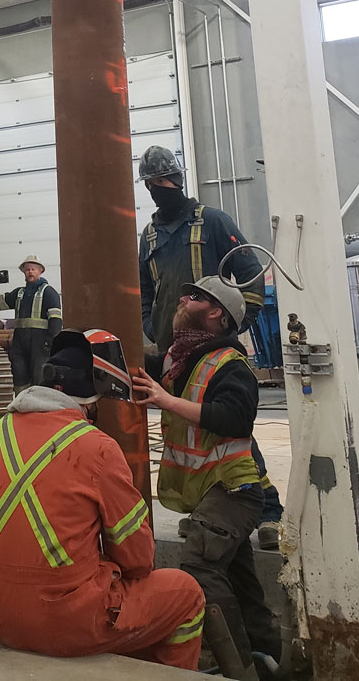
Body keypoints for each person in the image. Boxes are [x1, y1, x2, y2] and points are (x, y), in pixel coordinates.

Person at [0, 330, 206, 667]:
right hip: (66, 621)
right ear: (92, 399)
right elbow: (138, 559)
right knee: (185, 595)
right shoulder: (96, 447)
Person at [133, 276, 282, 678]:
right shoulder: (178, 358)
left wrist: (167, 401)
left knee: (199, 564)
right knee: (237, 574)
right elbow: (137, 365)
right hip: (211, 491)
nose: (183, 298)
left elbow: (236, 418)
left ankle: (239, 669)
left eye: (195, 296)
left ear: (217, 313)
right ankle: (267, 655)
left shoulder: (230, 364)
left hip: (235, 490)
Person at [137, 144, 284, 550]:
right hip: (175, 348)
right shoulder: (149, 236)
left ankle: (268, 511)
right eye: (154, 182)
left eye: (167, 180)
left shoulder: (212, 222)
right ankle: (211, 511)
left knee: (232, 432)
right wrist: (153, 326)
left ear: (178, 181)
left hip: (214, 347)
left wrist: (240, 322)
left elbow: (250, 273)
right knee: (196, 437)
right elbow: (145, 289)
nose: (161, 188)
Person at [0, 257, 62, 390]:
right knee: (19, 373)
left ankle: (39, 406)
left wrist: (51, 342)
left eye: (33, 269)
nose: (30, 272)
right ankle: (21, 403)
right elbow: (0, 301)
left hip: (40, 344)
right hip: (20, 343)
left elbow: (56, 321)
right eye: (27, 269)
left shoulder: (49, 293)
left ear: (40, 271)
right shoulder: (19, 293)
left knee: (40, 376)